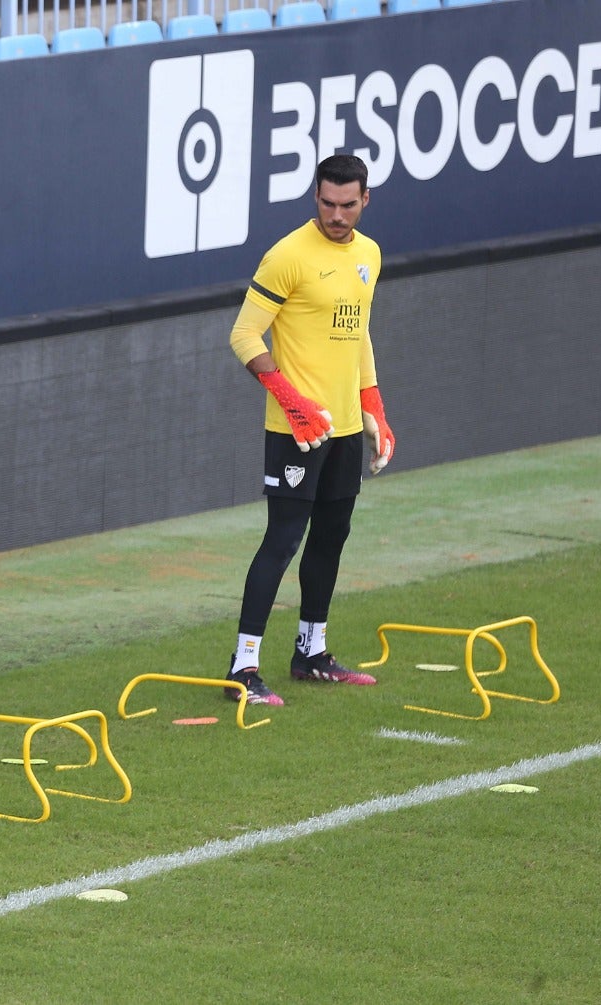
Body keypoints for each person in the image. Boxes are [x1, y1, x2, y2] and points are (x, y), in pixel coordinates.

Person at [222, 154, 397, 706]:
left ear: (365, 199)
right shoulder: (288, 256)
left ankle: (311, 653)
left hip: (344, 430)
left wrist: (374, 408)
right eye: (327, 203)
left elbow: (359, 335)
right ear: (314, 196)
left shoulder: (369, 254)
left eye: (348, 204)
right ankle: (243, 667)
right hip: (295, 432)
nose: (337, 215)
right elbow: (245, 336)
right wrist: (292, 402)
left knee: (331, 537)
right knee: (282, 541)